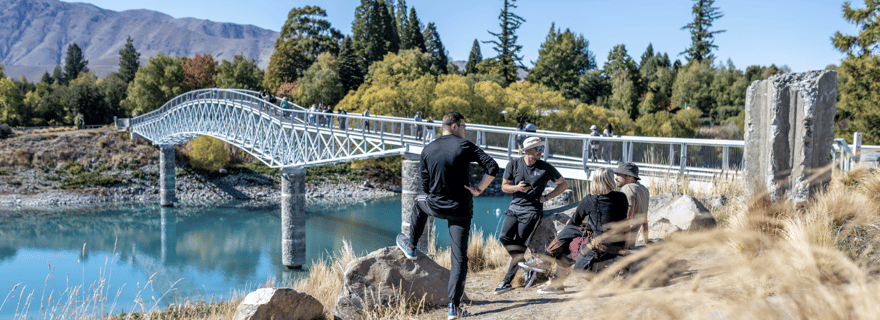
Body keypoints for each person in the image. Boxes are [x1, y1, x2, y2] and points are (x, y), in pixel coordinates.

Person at [396, 112, 499, 319]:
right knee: (459, 258)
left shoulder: (427, 149)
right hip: (461, 209)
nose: (466, 130)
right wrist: (479, 189)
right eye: (463, 126)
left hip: (435, 205)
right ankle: (454, 307)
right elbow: (493, 167)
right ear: (453, 126)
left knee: (418, 201)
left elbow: (425, 187)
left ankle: (411, 246)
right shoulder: (466, 146)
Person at [519, 168, 629, 294]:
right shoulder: (621, 197)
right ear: (610, 181)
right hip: (618, 245)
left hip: (601, 248)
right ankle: (553, 278)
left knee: (571, 232)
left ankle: (546, 264)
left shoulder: (590, 199)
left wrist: (570, 230)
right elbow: (610, 220)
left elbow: (574, 222)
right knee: (573, 240)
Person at [494, 137, 569, 295]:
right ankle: (526, 267)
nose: (541, 151)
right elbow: (504, 187)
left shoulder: (545, 167)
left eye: (542, 148)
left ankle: (506, 282)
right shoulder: (513, 164)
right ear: (528, 151)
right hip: (514, 208)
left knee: (519, 245)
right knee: (504, 237)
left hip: (532, 210)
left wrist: (546, 198)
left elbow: (564, 184)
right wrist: (517, 187)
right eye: (538, 149)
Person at [614, 162, 650, 248]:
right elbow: (644, 220)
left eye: (619, 175)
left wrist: (625, 246)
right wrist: (646, 240)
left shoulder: (627, 188)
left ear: (630, 177)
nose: (616, 178)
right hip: (632, 243)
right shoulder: (644, 190)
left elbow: (628, 217)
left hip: (623, 242)